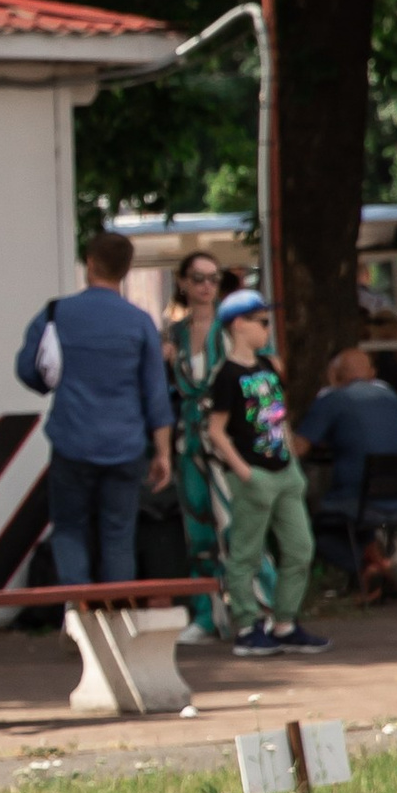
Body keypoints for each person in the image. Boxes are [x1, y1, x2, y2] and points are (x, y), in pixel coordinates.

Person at [15, 231, 175, 586]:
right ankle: (116, 619)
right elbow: (156, 393)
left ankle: (77, 614)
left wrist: (50, 383)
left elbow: (28, 370)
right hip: (125, 446)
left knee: (70, 529)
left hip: (72, 440)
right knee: (118, 534)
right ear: (127, 269)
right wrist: (162, 452)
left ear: (90, 264)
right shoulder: (139, 322)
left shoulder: (57, 313)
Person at [204, 288, 329, 658]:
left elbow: (279, 415)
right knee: (246, 552)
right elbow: (216, 429)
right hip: (253, 474)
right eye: (261, 322)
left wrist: (292, 461)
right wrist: (243, 472)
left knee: (300, 547)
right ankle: (246, 625)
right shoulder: (226, 375)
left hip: (283, 470)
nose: (267, 329)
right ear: (239, 325)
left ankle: (285, 622)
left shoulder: (270, 366)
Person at [299, 343, 397, 593]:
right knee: (355, 522)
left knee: (313, 529)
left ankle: (371, 567)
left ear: (335, 374)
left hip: (358, 499)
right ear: (371, 373)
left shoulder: (333, 398)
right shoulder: (389, 396)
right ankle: (378, 565)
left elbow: (299, 448)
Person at [161, 248, 230, 611]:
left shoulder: (233, 327)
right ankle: (206, 614)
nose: (207, 286)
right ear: (184, 284)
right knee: (198, 525)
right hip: (189, 435)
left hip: (229, 434)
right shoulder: (173, 334)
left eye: (214, 278)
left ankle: (251, 612)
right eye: (199, 278)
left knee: (235, 525)